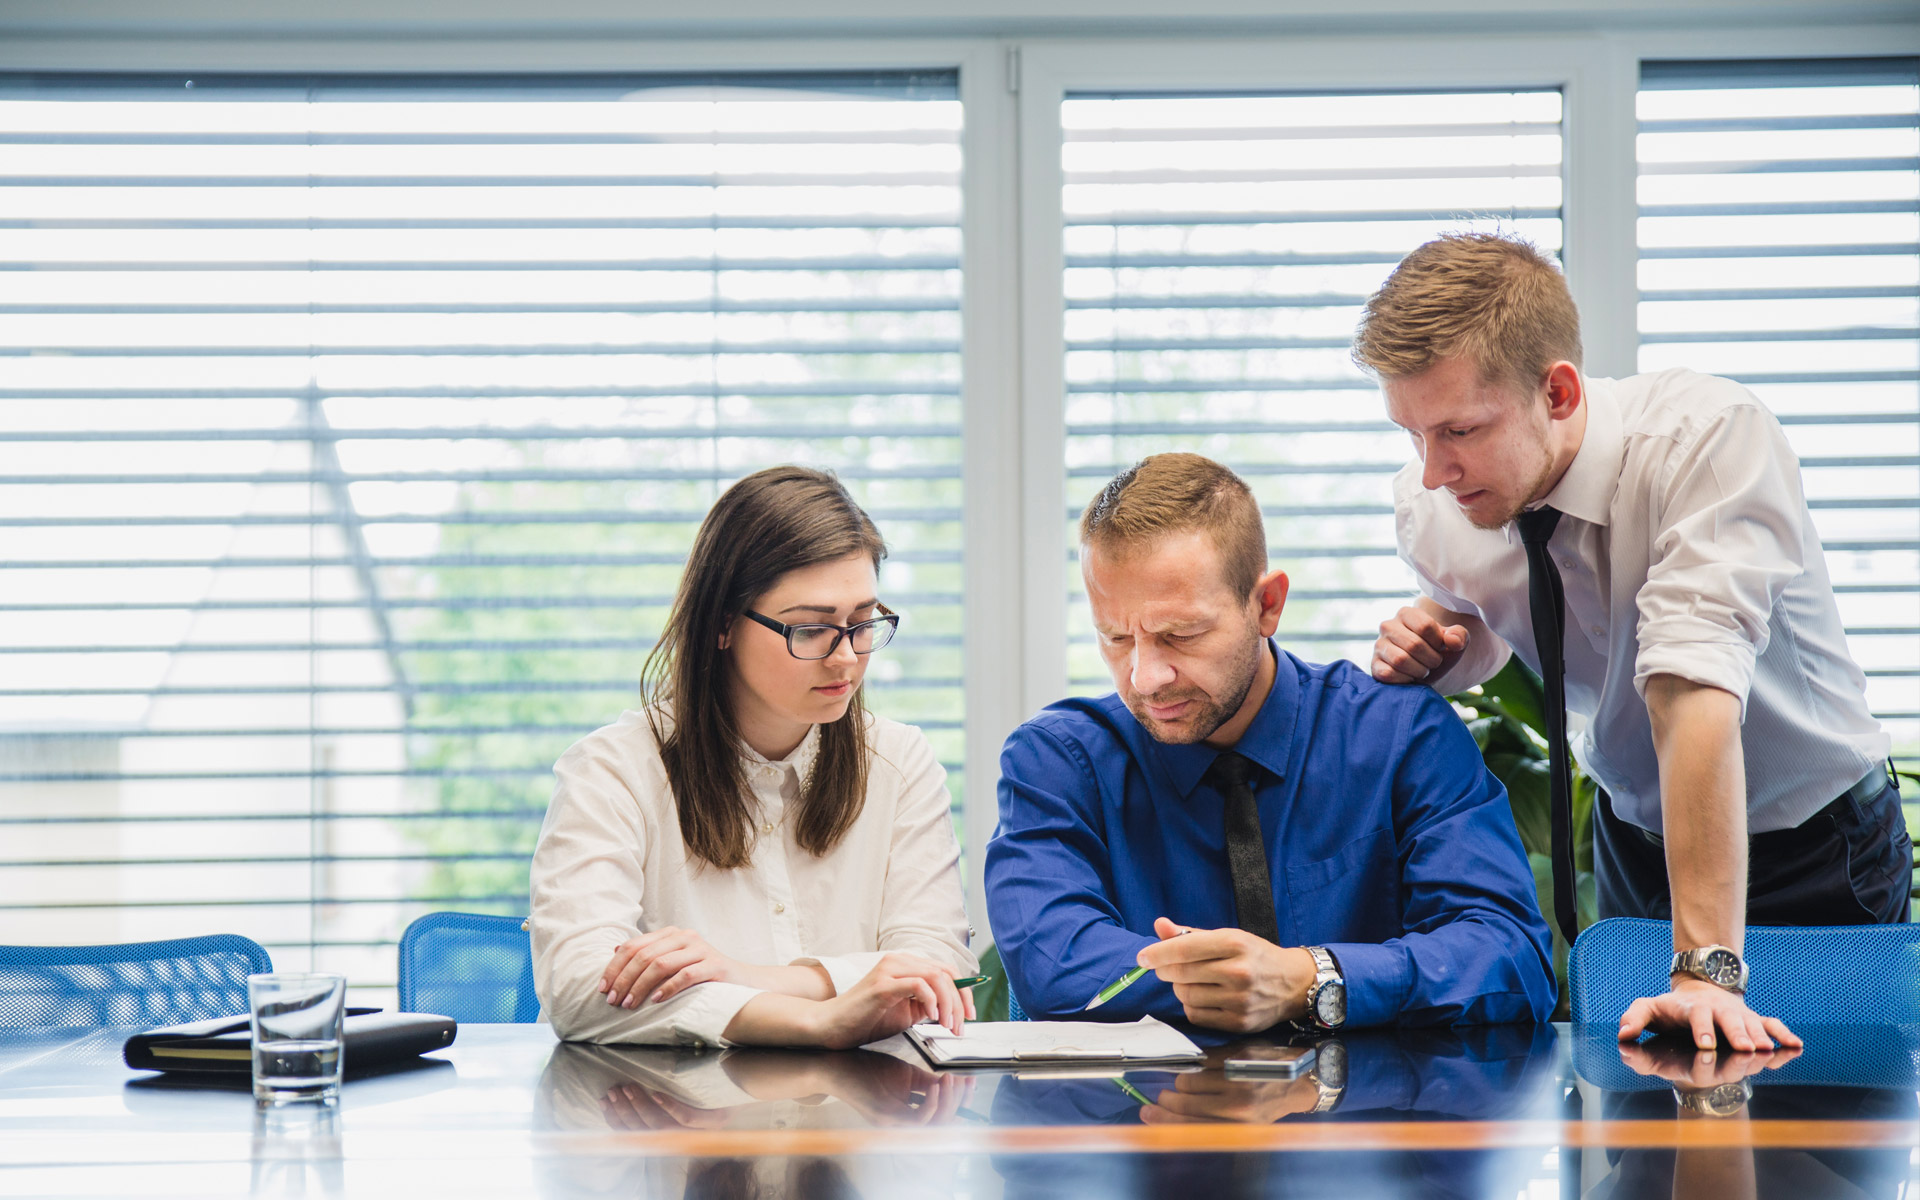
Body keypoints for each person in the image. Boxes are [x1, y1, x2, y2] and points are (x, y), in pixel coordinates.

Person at [1359, 232, 1910, 1053]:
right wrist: (1445, 639)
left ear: (1559, 390)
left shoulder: (1710, 439)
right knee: (1638, 1120)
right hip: (1632, 835)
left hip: (1815, 843)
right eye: (1413, 435)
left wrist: (1706, 969)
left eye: (1460, 431)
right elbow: (1482, 610)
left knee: (1821, 1132)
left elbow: (1690, 691)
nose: (1434, 471)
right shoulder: (1438, 500)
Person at [984, 452, 1555, 1033]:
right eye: (1116, 638)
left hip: (1373, 1119)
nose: (1145, 677)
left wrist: (1311, 978)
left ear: (1267, 605)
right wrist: (1238, 983)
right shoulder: (1056, 763)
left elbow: (1509, 956)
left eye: (1179, 635)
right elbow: (1050, 962)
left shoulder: (1402, 735)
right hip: (1148, 1116)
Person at [529, 466, 977, 1049]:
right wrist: (818, 1019)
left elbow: (936, 968)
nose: (846, 659)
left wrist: (742, 977)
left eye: (862, 622)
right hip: (667, 1118)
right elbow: (578, 984)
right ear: (722, 625)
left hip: (860, 1121)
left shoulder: (898, 761)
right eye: (811, 628)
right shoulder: (613, 770)